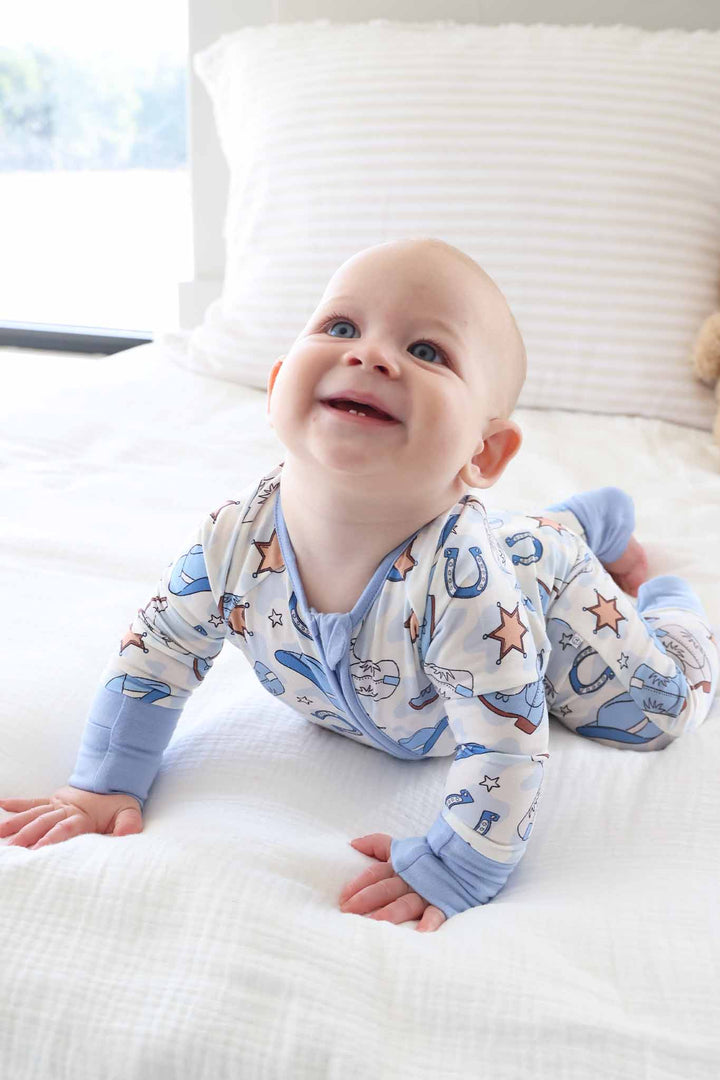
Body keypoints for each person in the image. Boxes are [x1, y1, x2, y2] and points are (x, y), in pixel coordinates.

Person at [1, 238, 717, 935]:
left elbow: (508, 748)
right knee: (523, 540)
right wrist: (104, 781)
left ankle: (662, 597)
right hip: (507, 553)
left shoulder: (469, 596)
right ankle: (588, 518)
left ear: (485, 451)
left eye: (428, 351)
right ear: (278, 384)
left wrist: (461, 866)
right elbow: (154, 654)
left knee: (658, 714)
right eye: (341, 326)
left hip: (547, 599)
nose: (370, 354)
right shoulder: (230, 540)